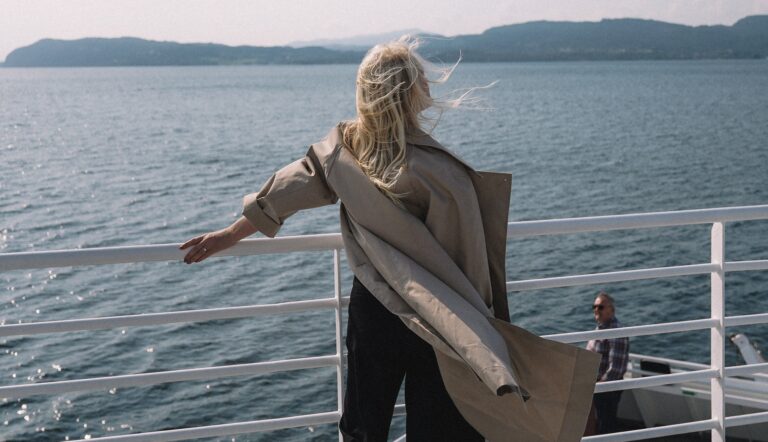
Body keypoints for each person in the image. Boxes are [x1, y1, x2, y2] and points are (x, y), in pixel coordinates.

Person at [180, 35, 600, 442]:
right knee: (440, 427)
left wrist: (229, 235)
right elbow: (469, 261)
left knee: (364, 423)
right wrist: (486, 324)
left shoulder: (344, 152)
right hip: (438, 318)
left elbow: (287, 189)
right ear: (412, 92)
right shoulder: (444, 176)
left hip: (375, 305)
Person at [586, 291, 630, 434]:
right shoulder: (601, 328)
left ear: (612, 310)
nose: (596, 310)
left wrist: (598, 387)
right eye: (594, 306)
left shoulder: (615, 332)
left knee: (606, 425)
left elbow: (615, 369)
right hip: (597, 386)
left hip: (606, 389)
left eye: (601, 307)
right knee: (601, 423)